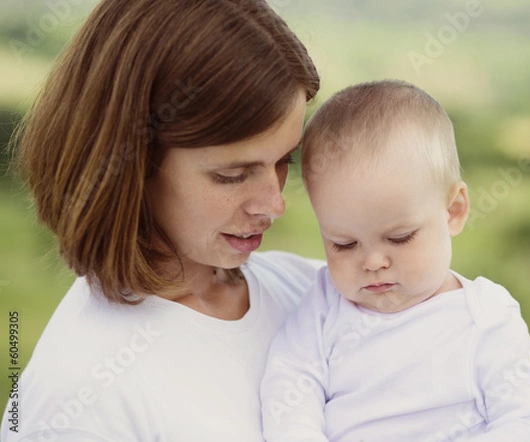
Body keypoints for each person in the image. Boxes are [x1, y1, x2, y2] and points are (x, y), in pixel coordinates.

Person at [0, 0, 322, 441]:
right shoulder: (79, 400)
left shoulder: (317, 294)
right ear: (132, 163)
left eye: (285, 160)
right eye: (231, 174)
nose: (274, 203)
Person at [260, 80, 530, 441]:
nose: (372, 261)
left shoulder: (485, 316)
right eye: (343, 244)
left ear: (453, 211)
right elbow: (290, 385)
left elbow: (529, 422)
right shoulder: (325, 305)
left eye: (399, 238)